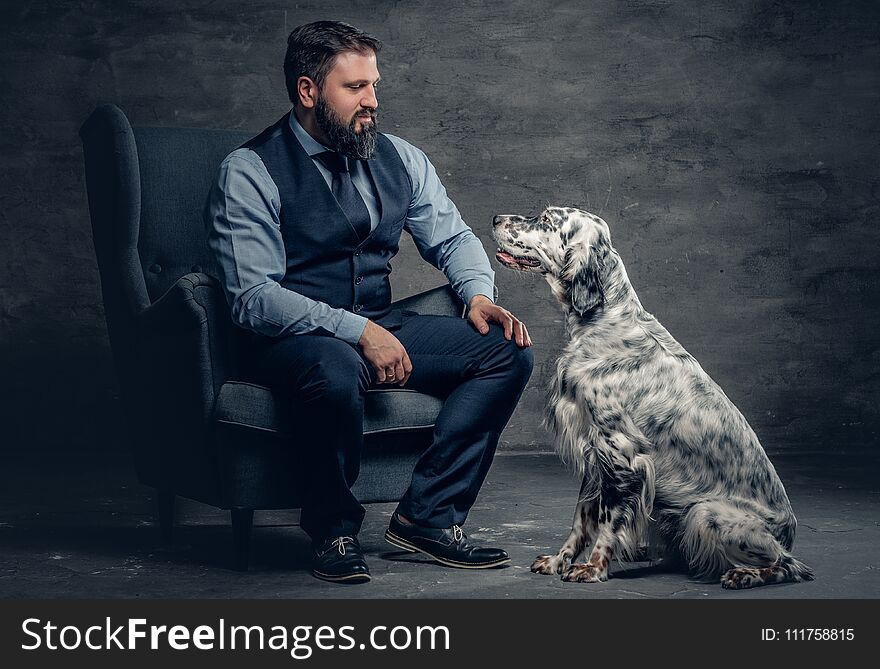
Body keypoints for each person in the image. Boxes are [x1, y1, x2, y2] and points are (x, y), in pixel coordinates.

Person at [206, 20, 533, 584]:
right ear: (309, 91)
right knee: (334, 371)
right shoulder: (250, 171)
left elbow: (452, 238)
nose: (372, 102)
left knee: (505, 351)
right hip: (292, 339)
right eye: (356, 88)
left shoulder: (400, 158)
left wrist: (478, 294)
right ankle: (333, 530)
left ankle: (427, 517)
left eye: (374, 86)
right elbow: (254, 299)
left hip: (379, 322)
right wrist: (354, 331)